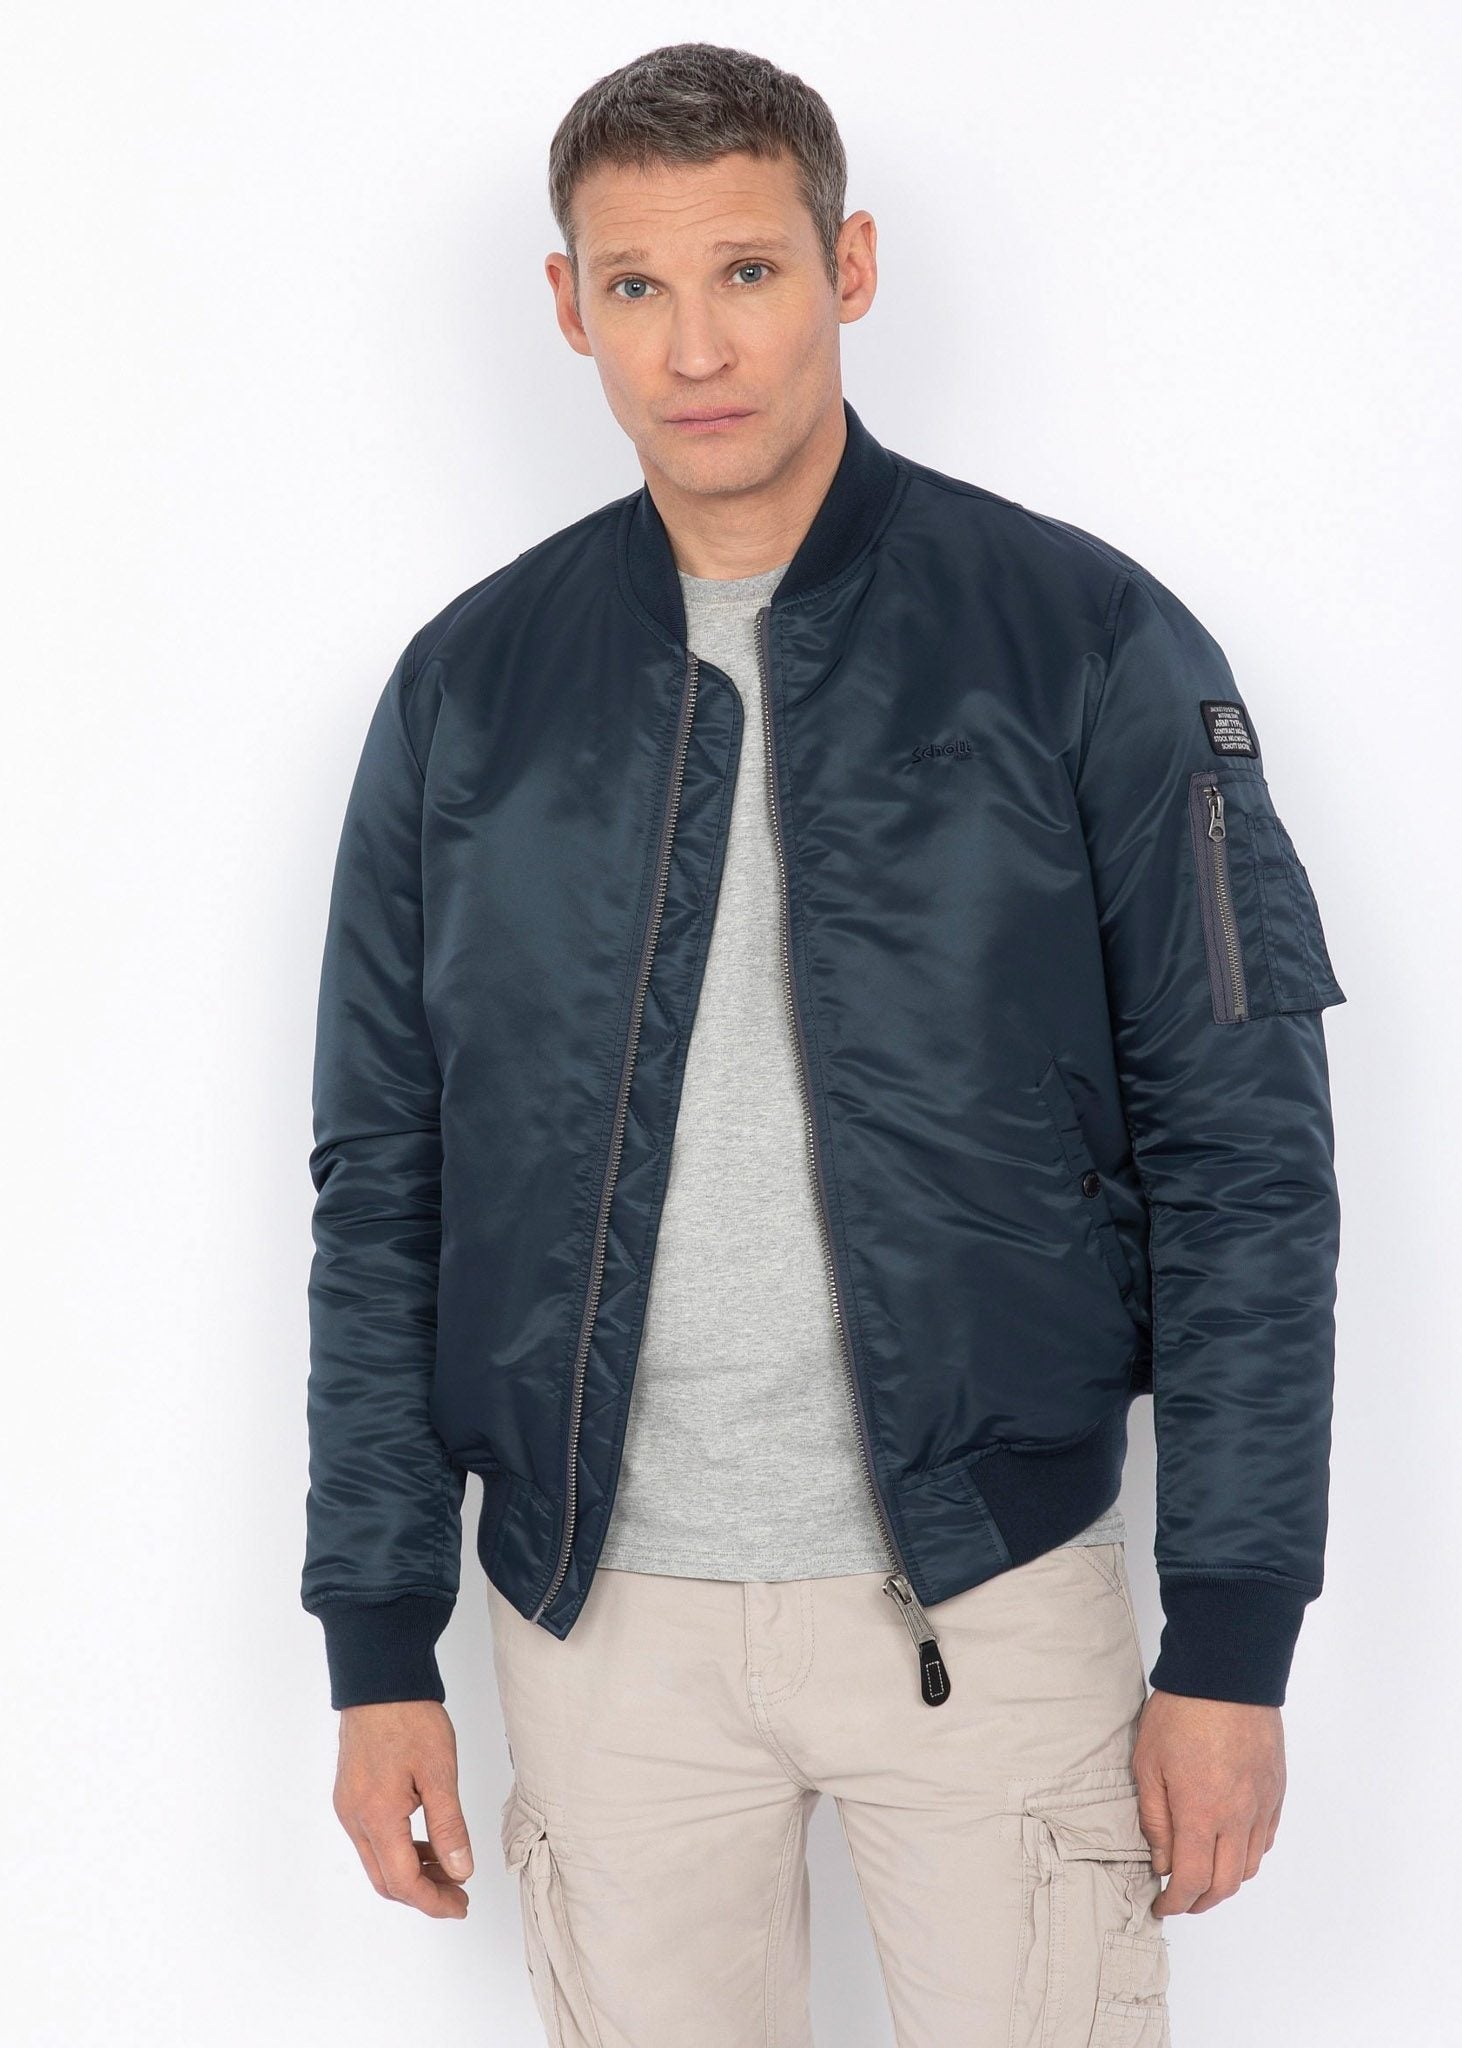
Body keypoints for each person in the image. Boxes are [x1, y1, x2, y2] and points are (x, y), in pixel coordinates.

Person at [300, 40, 1345, 2046]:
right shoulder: (468, 696)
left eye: (749, 272)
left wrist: (1230, 1639)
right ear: (566, 306)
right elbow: (385, 1186)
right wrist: (375, 1642)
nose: (694, 346)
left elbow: (1244, 1165)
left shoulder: (1087, 645)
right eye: (634, 284)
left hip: (991, 1595)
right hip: (595, 1625)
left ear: (845, 266)